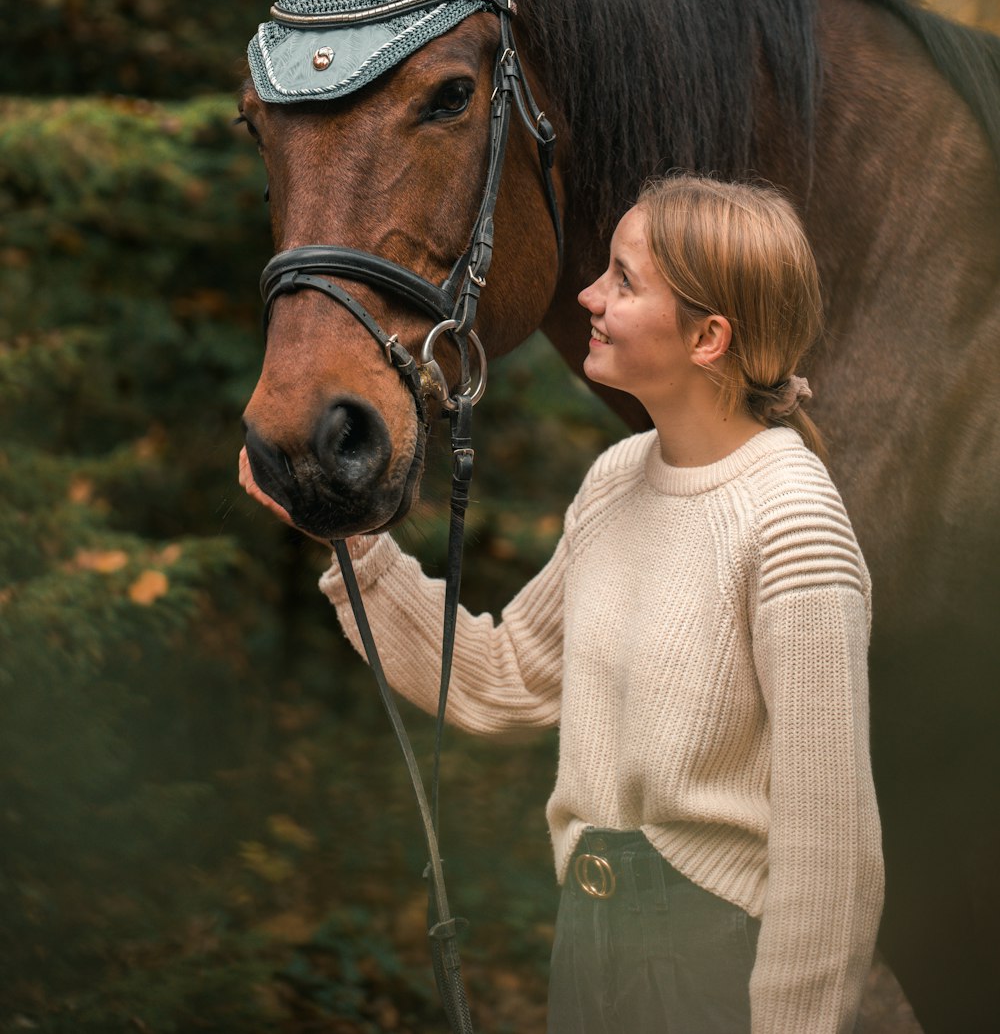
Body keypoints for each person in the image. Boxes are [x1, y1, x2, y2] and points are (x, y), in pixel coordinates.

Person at [240, 173, 884, 1034]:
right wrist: (352, 539)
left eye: (623, 279)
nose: (588, 294)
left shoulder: (792, 520)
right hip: (588, 943)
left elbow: (832, 854)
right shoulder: (618, 480)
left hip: (713, 961)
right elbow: (502, 676)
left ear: (708, 336)